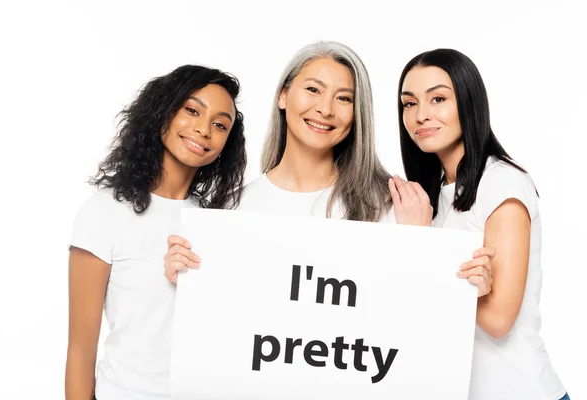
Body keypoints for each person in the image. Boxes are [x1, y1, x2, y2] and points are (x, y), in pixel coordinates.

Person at [164, 41, 493, 296]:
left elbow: (414, 315)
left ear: (357, 113)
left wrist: (436, 258)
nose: (324, 109)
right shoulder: (231, 208)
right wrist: (190, 281)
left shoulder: (398, 206)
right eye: (312, 89)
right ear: (283, 95)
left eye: (344, 98)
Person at [65, 65, 247, 400]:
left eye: (220, 125)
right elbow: (80, 349)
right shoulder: (104, 212)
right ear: (163, 112)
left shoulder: (217, 222)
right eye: (192, 110)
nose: (204, 129)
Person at [398, 48, 567, 400]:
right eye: (409, 104)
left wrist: (421, 244)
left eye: (438, 98)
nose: (421, 115)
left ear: (469, 102)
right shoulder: (433, 196)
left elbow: (498, 321)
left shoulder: (501, 183)